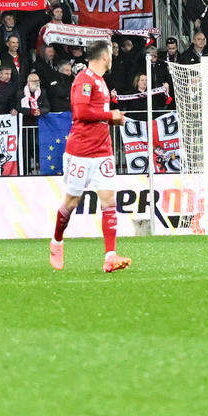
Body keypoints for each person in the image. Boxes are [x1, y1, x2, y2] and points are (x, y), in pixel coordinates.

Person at [51, 41, 127, 273]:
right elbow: (81, 112)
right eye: (111, 54)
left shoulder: (102, 82)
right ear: (105, 56)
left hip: (103, 150)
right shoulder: (84, 79)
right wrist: (110, 115)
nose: (113, 57)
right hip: (81, 151)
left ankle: (110, 256)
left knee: (109, 201)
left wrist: (110, 116)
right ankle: (57, 242)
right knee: (71, 202)